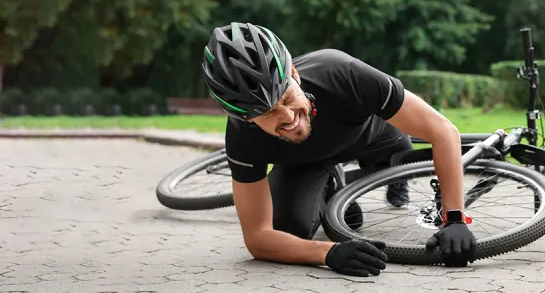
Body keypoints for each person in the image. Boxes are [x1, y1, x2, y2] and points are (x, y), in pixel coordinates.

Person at [200, 22, 477, 277]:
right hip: (307, 163)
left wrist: (454, 218)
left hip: (374, 138)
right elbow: (258, 238)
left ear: (294, 73)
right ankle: (333, 187)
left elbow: (443, 131)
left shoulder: (341, 72)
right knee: (287, 228)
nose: (287, 117)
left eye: (286, 97)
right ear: (247, 119)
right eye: (268, 113)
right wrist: (328, 252)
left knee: (402, 162)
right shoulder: (241, 136)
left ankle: (389, 185)